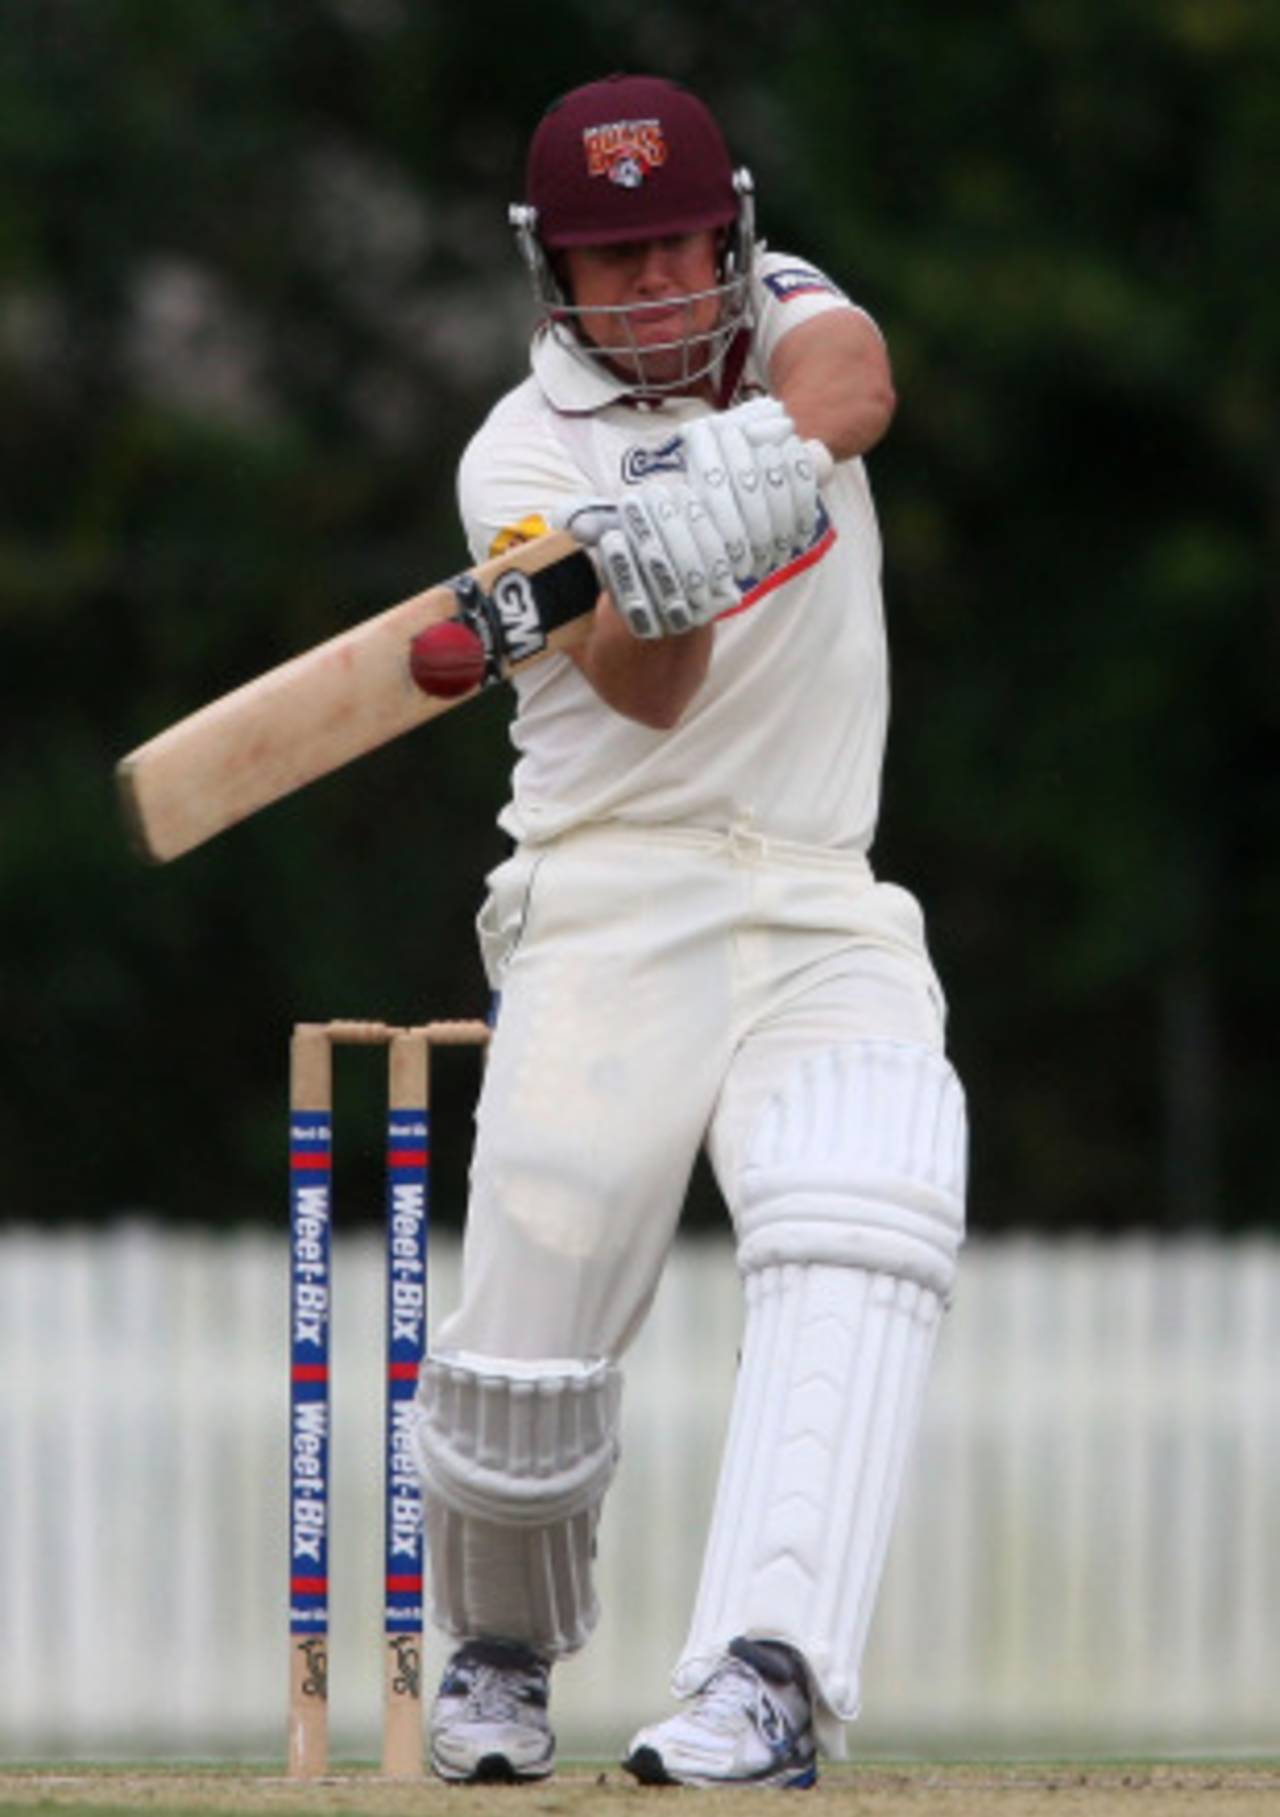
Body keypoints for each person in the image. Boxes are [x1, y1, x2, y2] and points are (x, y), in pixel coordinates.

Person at [410, 72, 967, 1789]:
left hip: (819, 886)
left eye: (675, 247)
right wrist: (657, 562)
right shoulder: (520, 457)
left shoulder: (789, 311)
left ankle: (765, 1675)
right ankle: (498, 1652)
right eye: (610, 261)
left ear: (730, 236)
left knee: (867, 1198)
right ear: (551, 278)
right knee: (520, 1353)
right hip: (608, 891)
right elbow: (649, 697)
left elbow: (854, 386)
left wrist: (743, 460)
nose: (651, 290)